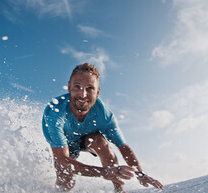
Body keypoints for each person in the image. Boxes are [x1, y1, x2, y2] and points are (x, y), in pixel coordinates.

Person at [42, 63, 164, 192]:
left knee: (100, 142)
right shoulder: (54, 112)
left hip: (86, 138)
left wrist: (141, 174)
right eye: (77, 87)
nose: (83, 95)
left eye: (89, 88)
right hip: (64, 145)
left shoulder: (104, 115)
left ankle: (119, 189)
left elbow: (123, 147)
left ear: (98, 92)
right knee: (66, 181)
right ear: (69, 87)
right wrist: (104, 172)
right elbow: (63, 160)